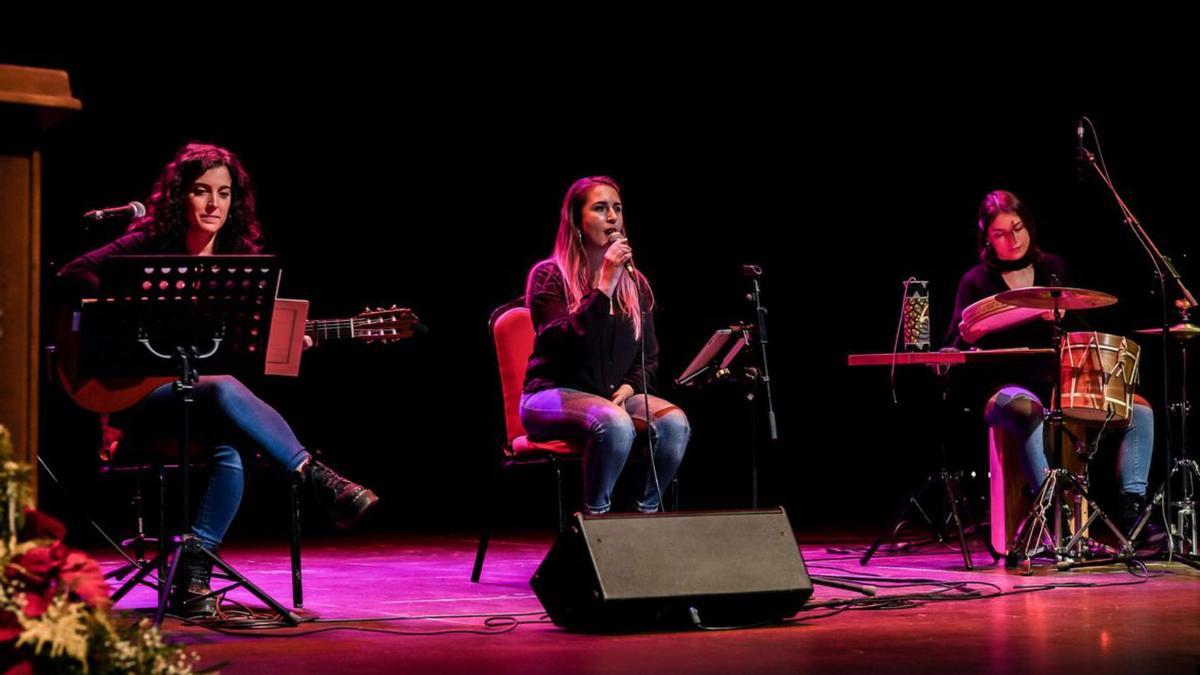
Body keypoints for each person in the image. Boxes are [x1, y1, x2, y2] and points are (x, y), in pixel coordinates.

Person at [57, 143, 378, 616]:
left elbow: (231, 354)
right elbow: (73, 273)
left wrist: (283, 342)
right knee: (224, 388)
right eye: (202, 192)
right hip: (137, 396)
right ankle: (316, 478)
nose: (213, 205)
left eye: (224, 194)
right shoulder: (148, 242)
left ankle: (193, 573)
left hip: (196, 395)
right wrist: (122, 315)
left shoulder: (237, 258)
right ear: (178, 197)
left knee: (230, 446)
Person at [946, 189, 1155, 536]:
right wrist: (961, 343)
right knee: (1029, 409)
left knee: (1141, 411)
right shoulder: (976, 281)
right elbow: (955, 342)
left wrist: (1059, 319)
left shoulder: (1052, 268)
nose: (1012, 239)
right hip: (1004, 389)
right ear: (987, 239)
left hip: (1061, 383)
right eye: (1000, 234)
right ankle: (1048, 507)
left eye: (1018, 228)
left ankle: (1134, 513)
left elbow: (1081, 327)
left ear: (1028, 225)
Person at [519, 176, 690, 514]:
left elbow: (649, 358)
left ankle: (643, 518)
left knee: (675, 423)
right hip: (549, 396)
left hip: (610, 398)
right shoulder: (549, 276)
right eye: (600, 208)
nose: (612, 217)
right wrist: (605, 285)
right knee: (614, 422)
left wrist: (630, 387)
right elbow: (563, 346)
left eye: (617, 208)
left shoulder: (635, 284)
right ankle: (596, 522)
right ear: (577, 221)